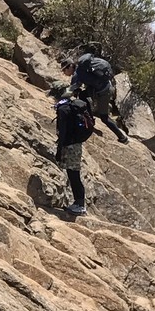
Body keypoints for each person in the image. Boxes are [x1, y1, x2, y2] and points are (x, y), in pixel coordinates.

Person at [68, 44, 129, 142]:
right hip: (107, 86)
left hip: (102, 92)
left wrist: (62, 97)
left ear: (70, 67)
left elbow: (70, 89)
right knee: (83, 95)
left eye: (64, 70)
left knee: (104, 118)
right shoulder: (85, 67)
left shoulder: (78, 74)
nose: (64, 73)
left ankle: (122, 137)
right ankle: (90, 119)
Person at [54, 85, 95, 217]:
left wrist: (59, 150)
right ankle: (78, 203)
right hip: (76, 144)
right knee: (73, 174)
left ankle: (79, 204)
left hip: (70, 145)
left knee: (74, 175)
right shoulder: (70, 106)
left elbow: (63, 131)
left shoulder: (63, 109)